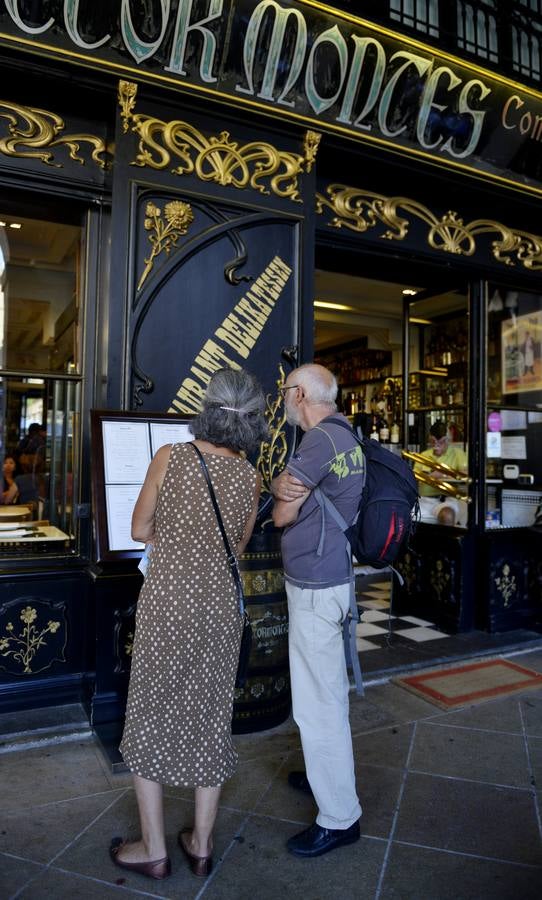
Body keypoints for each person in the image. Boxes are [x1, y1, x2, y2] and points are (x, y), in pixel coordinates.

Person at [111, 368, 267, 881]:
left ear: (207, 408)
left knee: (150, 710)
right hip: (221, 607)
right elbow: (238, 547)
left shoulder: (171, 457)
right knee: (210, 714)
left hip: (170, 604)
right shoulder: (251, 476)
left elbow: (138, 527)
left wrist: (172, 533)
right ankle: (200, 844)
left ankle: (153, 849)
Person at [271, 363, 363, 858]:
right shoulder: (346, 434)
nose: (283, 399)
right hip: (333, 578)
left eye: (287, 391)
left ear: (300, 393)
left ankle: (339, 817)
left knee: (317, 702)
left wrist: (280, 493)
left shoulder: (318, 441)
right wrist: (283, 488)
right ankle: (326, 777)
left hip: (316, 585)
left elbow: (284, 512)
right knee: (327, 692)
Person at [414, 420, 468, 525]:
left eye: (441, 442)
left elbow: (464, 474)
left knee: (446, 515)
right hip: (424, 499)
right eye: (433, 441)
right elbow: (414, 477)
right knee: (400, 514)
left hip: (446, 499)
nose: (437, 445)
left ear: (448, 440)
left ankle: (447, 542)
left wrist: (443, 475)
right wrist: (430, 476)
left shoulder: (458, 454)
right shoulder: (424, 455)